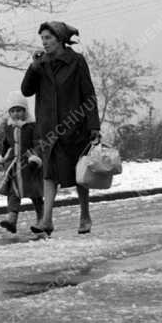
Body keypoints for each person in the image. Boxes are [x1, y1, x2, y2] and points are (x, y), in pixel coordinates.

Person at [21, 20, 101, 237]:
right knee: (49, 175)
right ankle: (46, 220)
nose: (44, 43)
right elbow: (26, 91)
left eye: (48, 38)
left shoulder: (76, 61)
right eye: (42, 39)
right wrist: (33, 67)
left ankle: (85, 214)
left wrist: (94, 126)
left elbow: (88, 95)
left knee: (79, 175)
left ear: (60, 39)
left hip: (75, 128)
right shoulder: (41, 64)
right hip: (48, 130)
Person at [0, 91, 44, 234]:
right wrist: (3, 155)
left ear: (25, 111)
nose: (16, 114)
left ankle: (42, 219)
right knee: (13, 193)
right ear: (9, 113)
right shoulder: (9, 128)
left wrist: (35, 158)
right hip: (15, 165)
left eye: (19, 110)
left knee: (35, 193)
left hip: (30, 165)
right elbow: (6, 143)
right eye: (13, 111)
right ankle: (12, 220)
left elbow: (38, 143)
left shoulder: (31, 127)